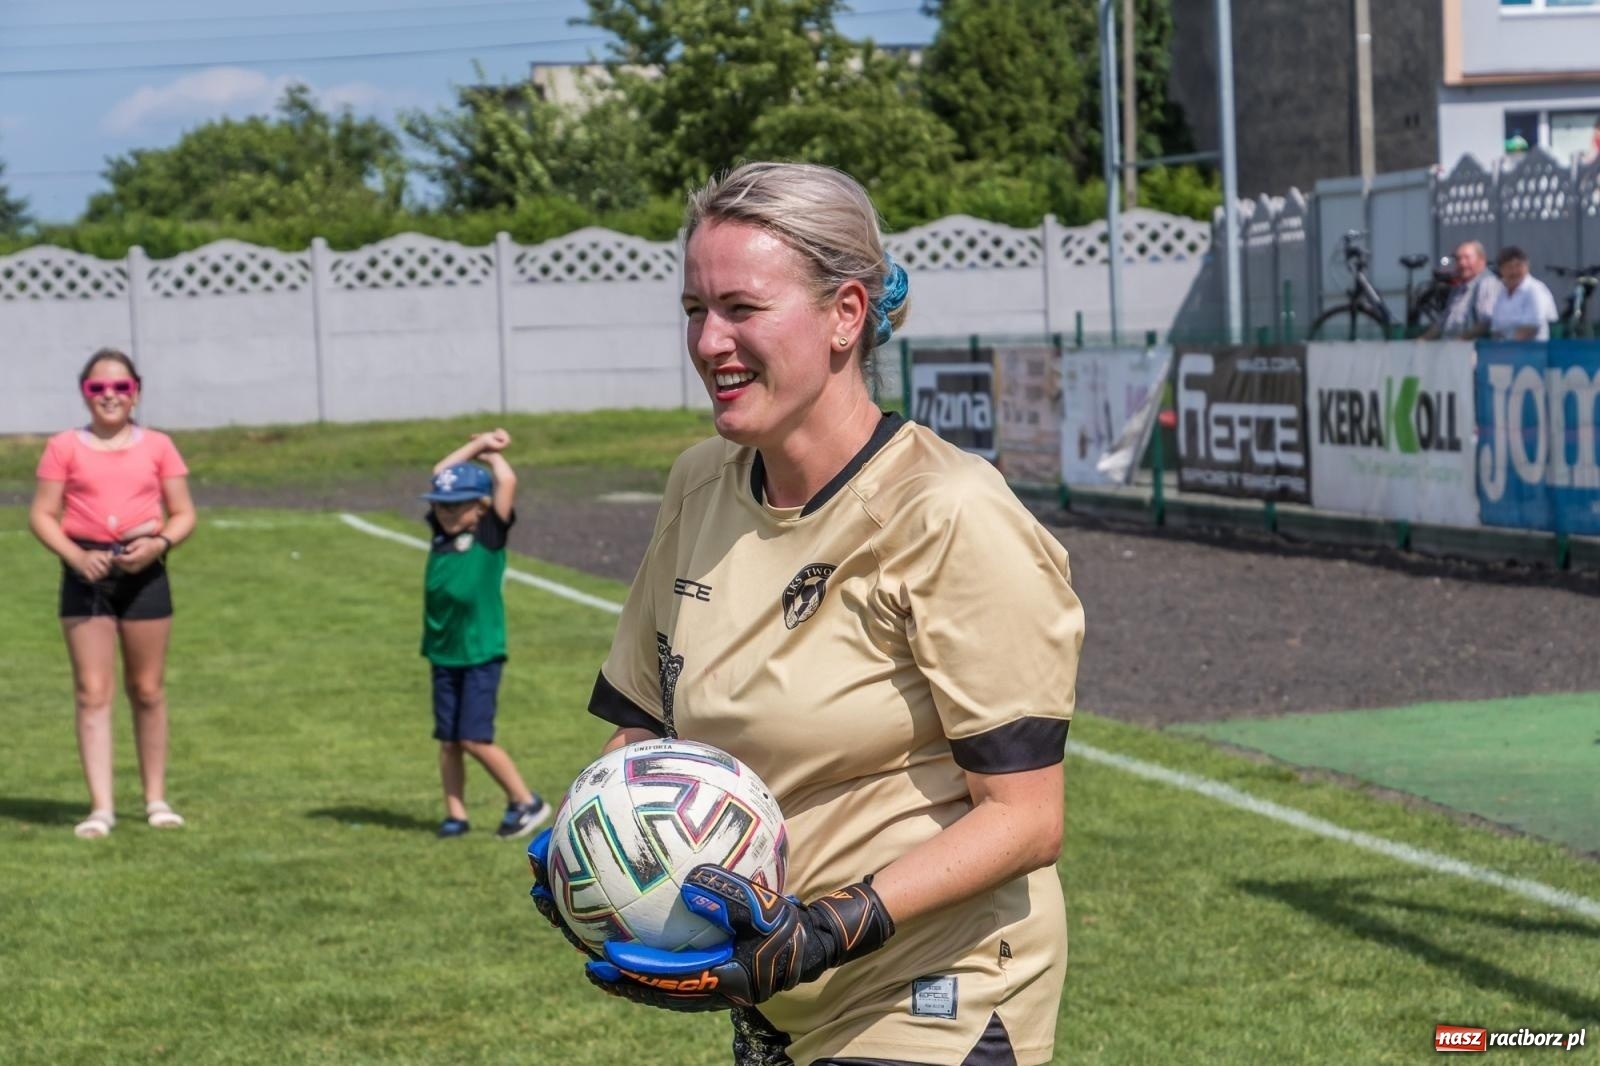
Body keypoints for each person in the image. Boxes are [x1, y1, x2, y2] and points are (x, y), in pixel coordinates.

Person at [529, 163, 1085, 1065]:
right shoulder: (697, 484)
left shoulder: (948, 511)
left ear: (846, 314)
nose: (710, 341)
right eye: (693, 309)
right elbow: (642, 732)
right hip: (777, 1010)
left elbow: (1026, 817)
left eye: (743, 309)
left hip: (939, 992)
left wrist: (827, 929)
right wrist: (590, 847)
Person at [28, 348, 196, 839]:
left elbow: (183, 513)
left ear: (135, 392)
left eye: (120, 388)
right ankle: (101, 808)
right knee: (92, 692)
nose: (109, 397)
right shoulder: (63, 446)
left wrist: (158, 544)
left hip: (145, 572)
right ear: (84, 393)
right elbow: (42, 514)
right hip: (85, 574)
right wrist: (77, 558)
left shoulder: (159, 446)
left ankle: (155, 799)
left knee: (147, 690)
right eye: (98, 388)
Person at [420, 429, 549, 840]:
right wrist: (474, 447)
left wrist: (493, 455)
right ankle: (455, 815)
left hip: (479, 653)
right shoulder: (443, 534)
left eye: (455, 506)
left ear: (480, 507)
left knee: (474, 738)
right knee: (449, 741)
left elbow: (507, 482)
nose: (445, 512)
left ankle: (525, 801)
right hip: (444, 653)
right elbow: (442, 472)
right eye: (441, 506)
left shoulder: (487, 535)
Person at [1422, 240, 1501, 340]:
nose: (1462, 263)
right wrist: (1421, 341)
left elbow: (1487, 321)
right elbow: (1442, 322)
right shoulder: (1458, 288)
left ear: (1482, 260)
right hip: (1451, 349)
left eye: (1467, 258)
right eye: (1458, 259)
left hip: (1473, 350)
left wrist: (1460, 340)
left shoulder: (1488, 283)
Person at [1489, 246, 1559, 341]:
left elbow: (1531, 327)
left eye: (1518, 266)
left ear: (1527, 266)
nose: (1514, 271)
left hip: (1533, 351)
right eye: (1509, 267)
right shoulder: (1502, 293)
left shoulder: (1535, 290)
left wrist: (1508, 348)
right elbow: (1496, 329)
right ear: (1501, 270)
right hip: (1505, 351)